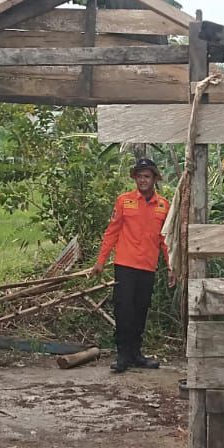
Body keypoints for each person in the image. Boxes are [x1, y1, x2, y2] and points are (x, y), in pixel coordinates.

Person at [95, 157, 170, 373]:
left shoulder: (164, 206)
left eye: (147, 176)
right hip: (125, 265)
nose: (143, 180)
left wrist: (171, 267)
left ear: (154, 178)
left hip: (147, 267)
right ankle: (123, 355)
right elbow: (112, 232)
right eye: (139, 176)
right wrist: (101, 261)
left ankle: (136, 354)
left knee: (140, 311)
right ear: (134, 178)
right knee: (123, 310)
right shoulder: (124, 201)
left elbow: (165, 240)